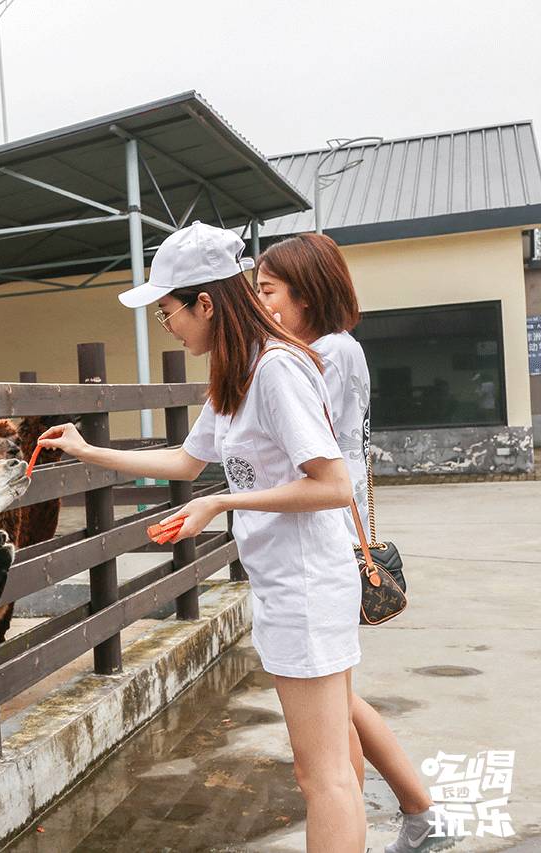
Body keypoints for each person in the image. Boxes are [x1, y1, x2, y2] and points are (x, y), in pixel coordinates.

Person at [39, 222, 365, 852]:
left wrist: (222, 500)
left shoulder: (274, 370)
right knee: (335, 762)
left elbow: (333, 485)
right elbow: (186, 462)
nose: (169, 325)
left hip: (306, 584)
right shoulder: (236, 373)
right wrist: (89, 452)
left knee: (319, 775)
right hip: (286, 583)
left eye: (168, 312)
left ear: (207, 303)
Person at [256, 233, 437, 853]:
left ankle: (388, 818)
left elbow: (310, 452)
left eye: (269, 290)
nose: (260, 303)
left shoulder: (318, 355)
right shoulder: (338, 348)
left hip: (324, 529)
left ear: (305, 295)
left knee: (333, 720)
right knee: (340, 701)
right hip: (340, 518)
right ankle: (416, 811)